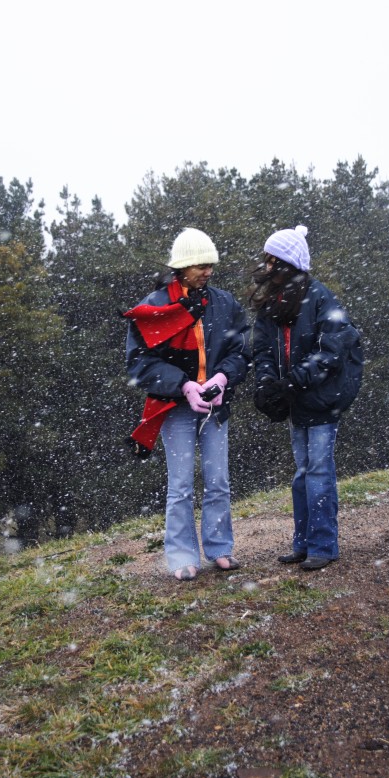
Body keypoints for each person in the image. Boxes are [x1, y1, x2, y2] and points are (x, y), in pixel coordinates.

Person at [124, 228, 251, 581]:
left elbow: (241, 351)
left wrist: (222, 378)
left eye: (210, 264)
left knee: (218, 480)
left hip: (216, 405)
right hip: (173, 408)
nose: (207, 271)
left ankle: (220, 549)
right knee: (180, 485)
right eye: (199, 265)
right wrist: (184, 386)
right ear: (181, 267)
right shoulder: (156, 306)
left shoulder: (225, 303)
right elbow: (139, 364)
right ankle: (181, 556)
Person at [251, 225, 363, 571]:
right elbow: (264, 347)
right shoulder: (274, 302)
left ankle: (323, 545)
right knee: (303, 472)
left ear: (288, 262)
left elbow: (331, 351)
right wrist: (268, 381)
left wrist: (294, 381)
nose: (267, 266)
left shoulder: (320, 298)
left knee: (318, 471)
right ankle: (303, 543)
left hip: (322, 399)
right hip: (296, 399)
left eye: (273, 259)